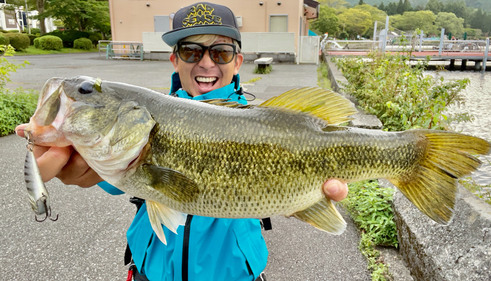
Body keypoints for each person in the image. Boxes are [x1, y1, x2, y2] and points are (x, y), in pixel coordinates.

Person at [16, 2, 348, 280]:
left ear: (238, 61)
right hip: (152, 271)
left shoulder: (268, 124)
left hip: (235, 273)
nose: (206, 62)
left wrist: (299, 200)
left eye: (220, 52)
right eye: (191, 51)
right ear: (174, 59)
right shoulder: (142, 121)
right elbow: (107, 178)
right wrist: (77, 161)